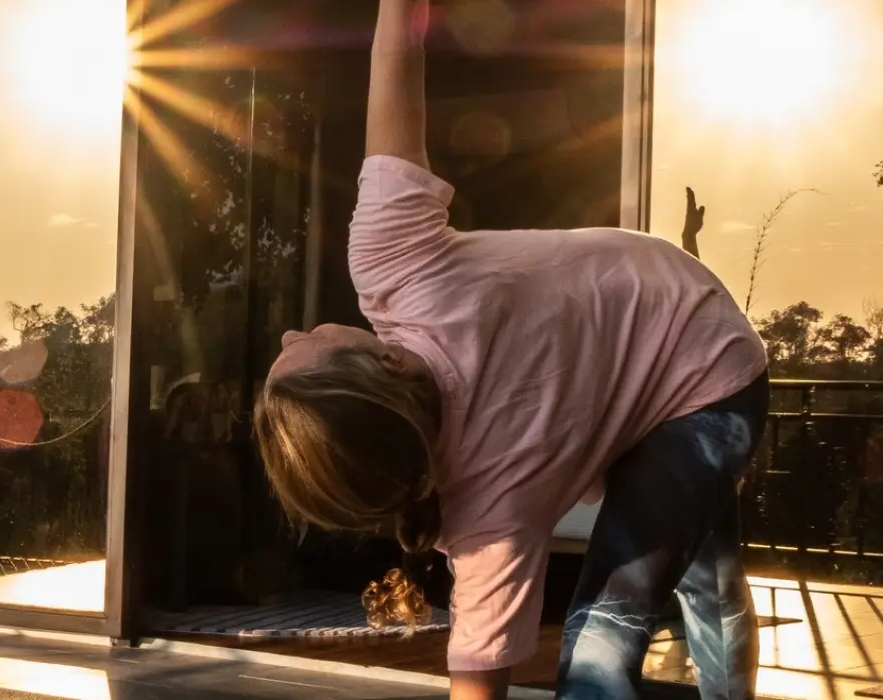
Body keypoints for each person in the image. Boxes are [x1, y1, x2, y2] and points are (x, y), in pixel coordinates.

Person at [252, 2, 768, 699]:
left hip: (697, 347)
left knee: (691, 575)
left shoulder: (478, 517)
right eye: (302, 346)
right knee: (604, 638)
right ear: (386, 364)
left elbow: (477, 676)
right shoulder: (394, 277)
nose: (290, 332)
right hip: (696, 374)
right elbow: (398, 69)